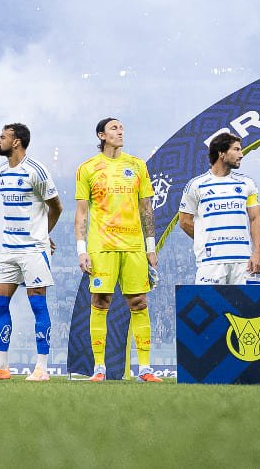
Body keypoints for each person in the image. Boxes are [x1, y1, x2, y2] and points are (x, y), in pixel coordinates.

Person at [0, 124, 62, 382]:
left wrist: (43, 234)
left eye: (3, 136)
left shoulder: (37, 170)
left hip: (33, 249)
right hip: (9, 249)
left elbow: (56, 207)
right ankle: (1, 366)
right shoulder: (1, 171)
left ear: (16, 142)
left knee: (37, 304)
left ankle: (42, 368)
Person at [75, 118, 162, 382]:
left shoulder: (137, 166)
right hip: (102, 247)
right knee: (100, 302)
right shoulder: (87, 169)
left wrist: (150, 247)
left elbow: (146, 209)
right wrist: (82, 249)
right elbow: (81, 214)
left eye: (122, 127)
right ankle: (99, 368)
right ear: (101, 135)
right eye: (114, 128)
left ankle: (145, 369)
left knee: (139, 302)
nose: (120, 131)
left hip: (134, 246)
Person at [178, 132, 260, 284]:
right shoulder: (196, 185)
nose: (241, 154)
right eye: (236, 150)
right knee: (208, 307)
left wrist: (257, 253)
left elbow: (255, 218)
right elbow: (184, 221)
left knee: (247, 307)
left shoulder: (247, 184)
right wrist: (206, 239)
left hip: (243, 262)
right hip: (211, 263)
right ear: (221, 153)